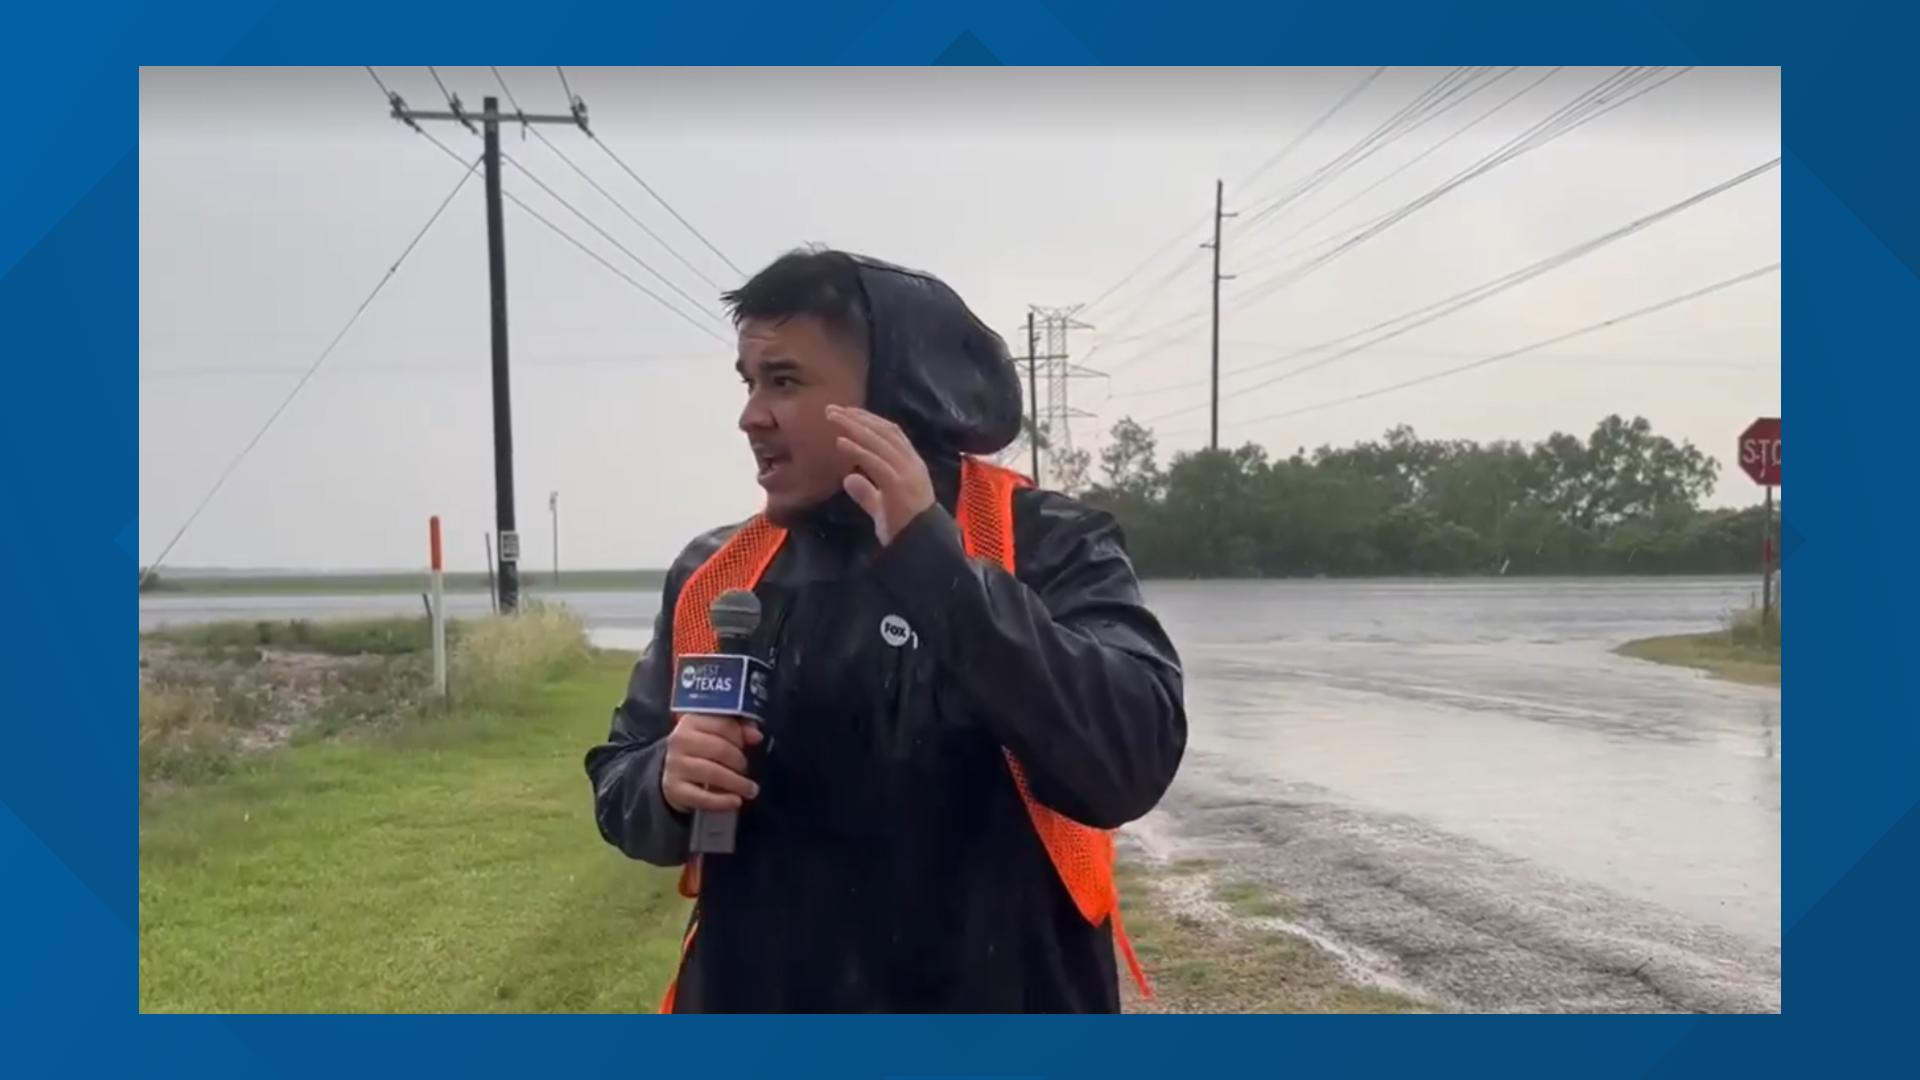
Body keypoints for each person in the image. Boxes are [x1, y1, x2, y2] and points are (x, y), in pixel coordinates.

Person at [584, 248, 1186, 1013]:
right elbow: (619, 777)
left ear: (897, 401)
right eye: (749, 382)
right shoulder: (719, 574)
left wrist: (933, 565)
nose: (750, 416)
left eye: (785, 381)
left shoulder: (1047, 542)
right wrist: (663, 780)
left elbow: (1129, 759)